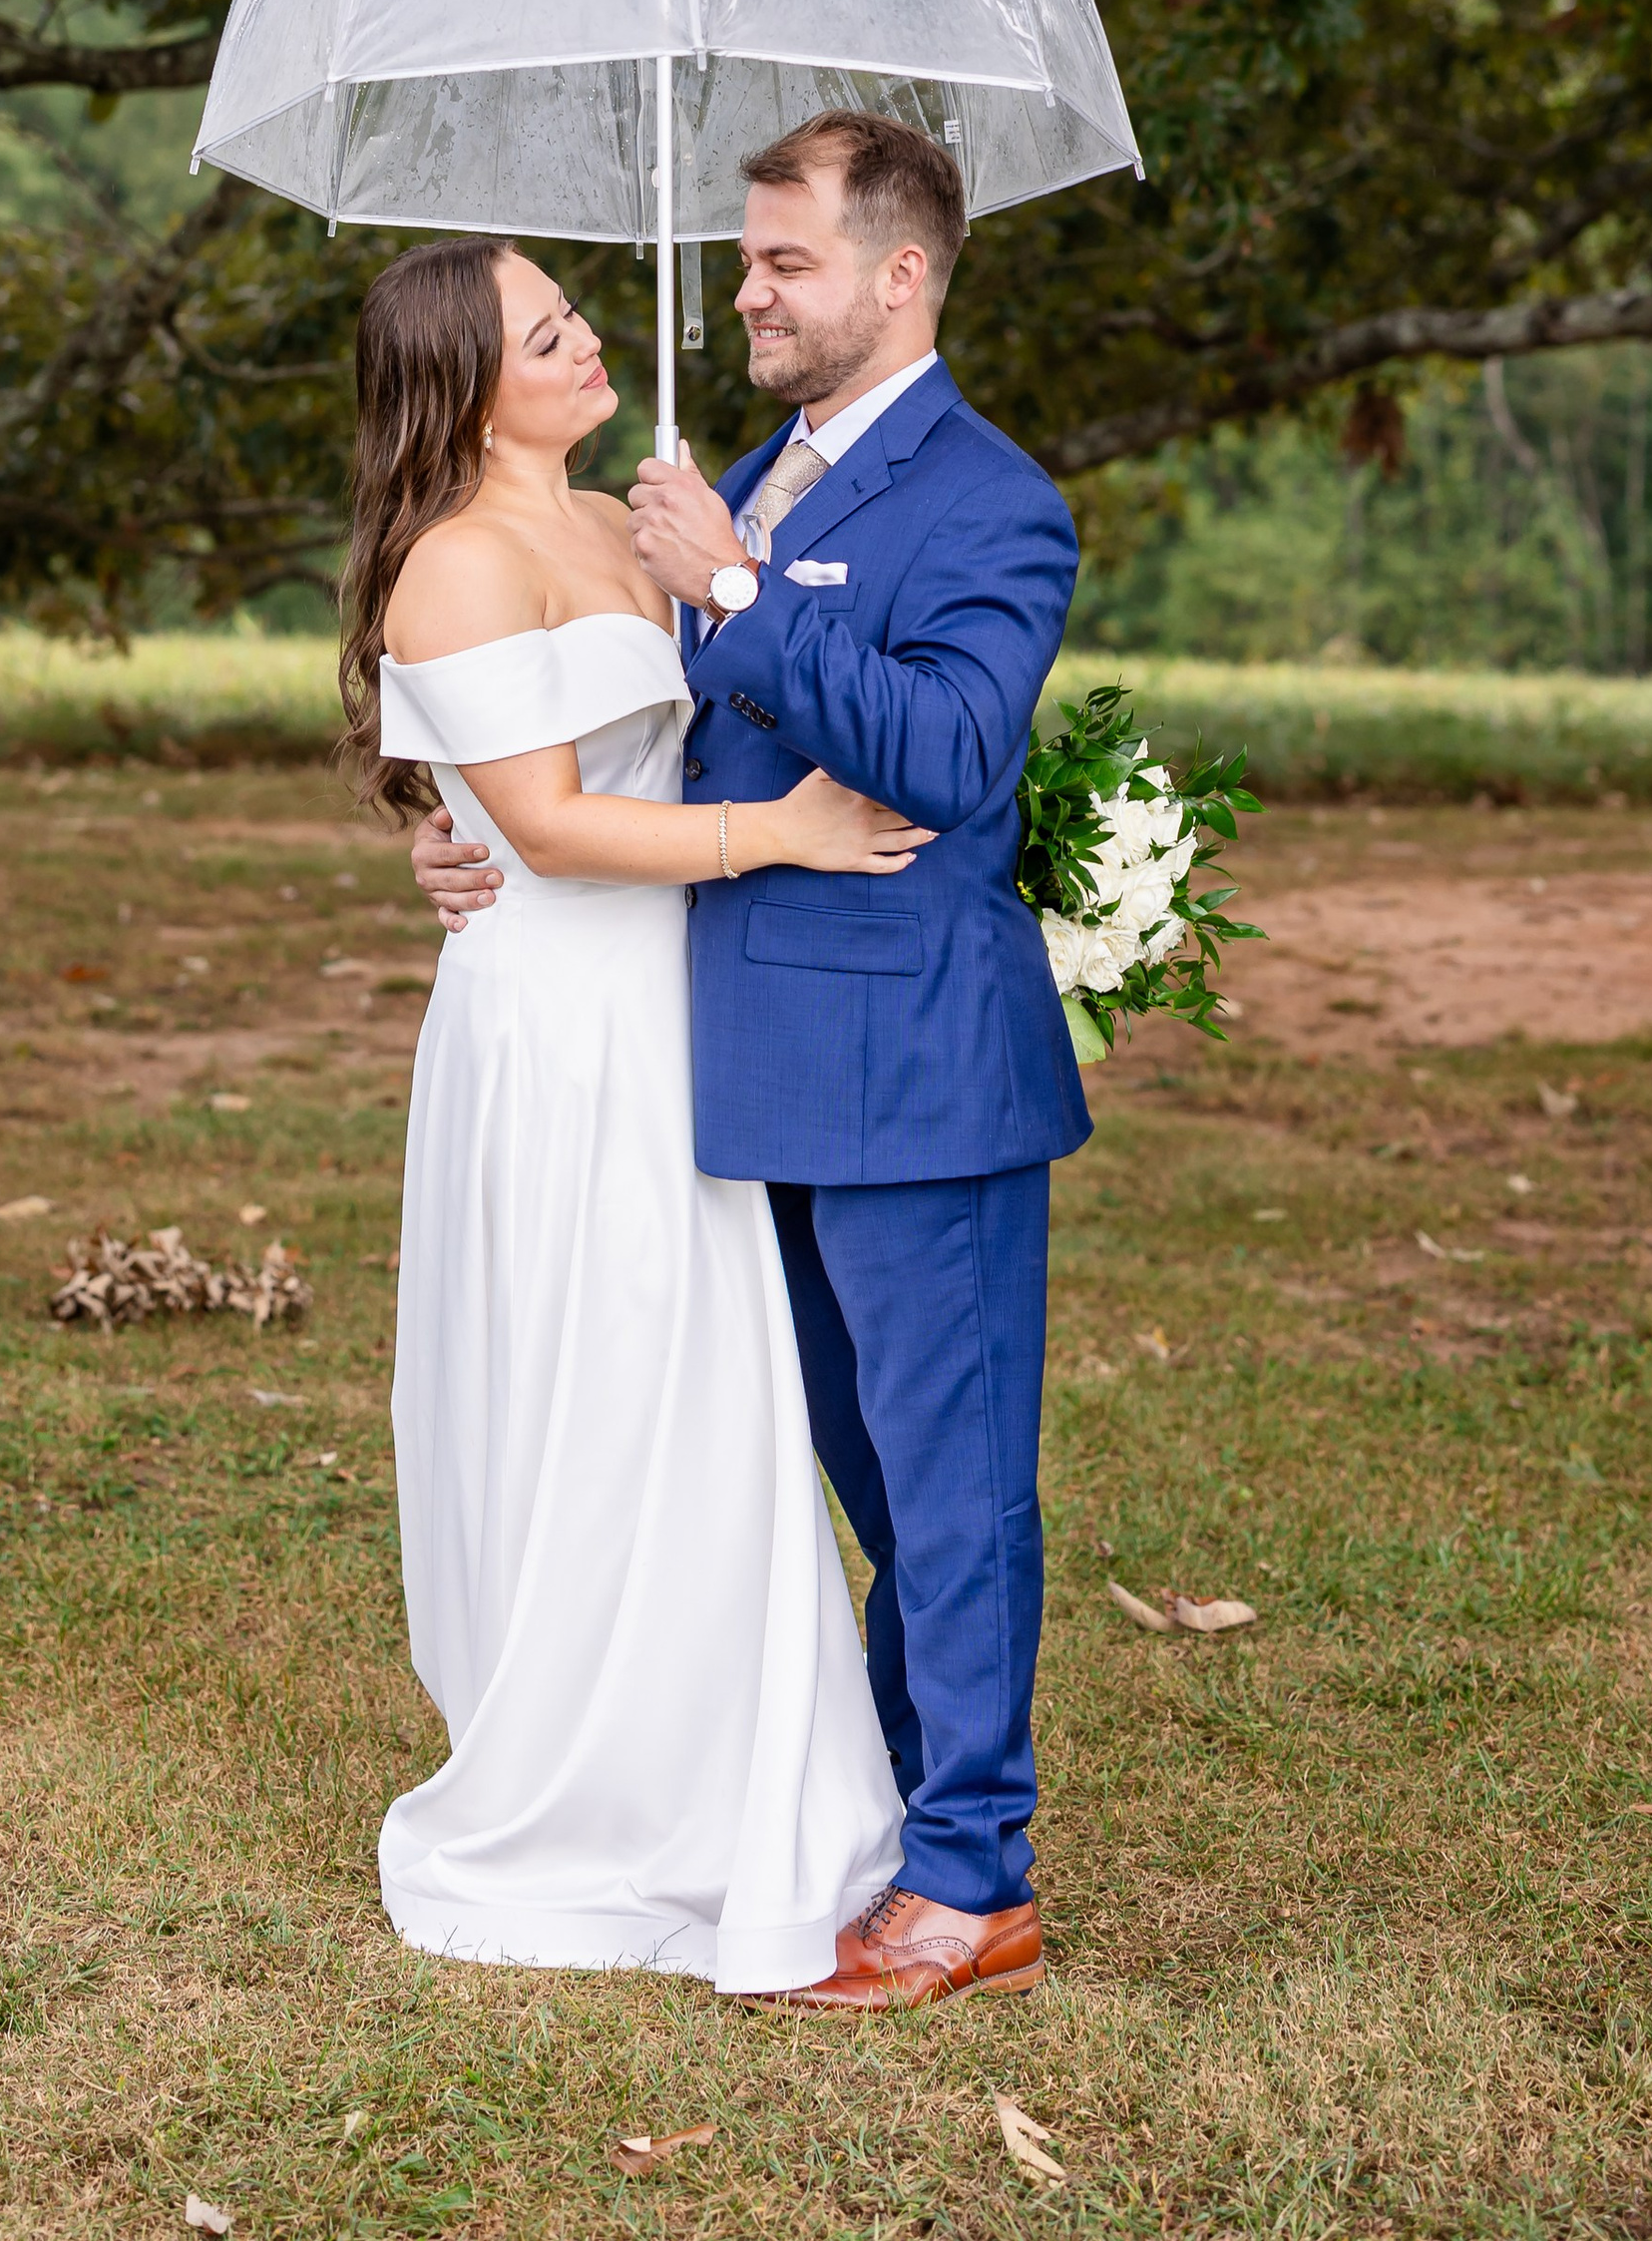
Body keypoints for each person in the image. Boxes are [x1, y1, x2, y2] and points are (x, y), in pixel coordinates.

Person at [411, 111, 1087, 2015]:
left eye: (784, 260)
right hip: (731, 1069)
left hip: (916, 1075)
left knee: (953, 1491)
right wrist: (457, 815)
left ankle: (975, 1879)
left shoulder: (989, 500)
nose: (746, 288)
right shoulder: (758, 471)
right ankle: (876, 1821)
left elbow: (950, 751)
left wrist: (731, 593)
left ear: (900, 274)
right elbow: (617, 741)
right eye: (744, 252)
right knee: (853, 1487)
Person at [347, 231, 924, 1994]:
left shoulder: (624, 520)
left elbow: (686, 731)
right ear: (464, 381)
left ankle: (731, 1761)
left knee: (707, 1383)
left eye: (579, 312)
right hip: (559, 1026)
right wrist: (788, 835)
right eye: (547, 332)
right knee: (601, 1375)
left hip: (675, 1007)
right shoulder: (452, 561)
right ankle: (589, 1787)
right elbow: (556, 824)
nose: (590, 340)